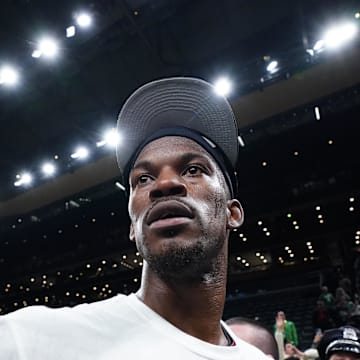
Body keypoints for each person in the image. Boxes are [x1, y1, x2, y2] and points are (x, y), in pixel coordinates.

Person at [0, 77, 268, 359]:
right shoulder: (34, 340)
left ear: (232, 213)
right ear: (133, 227)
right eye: (143, 178)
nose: (163, 184)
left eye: (193, 169)